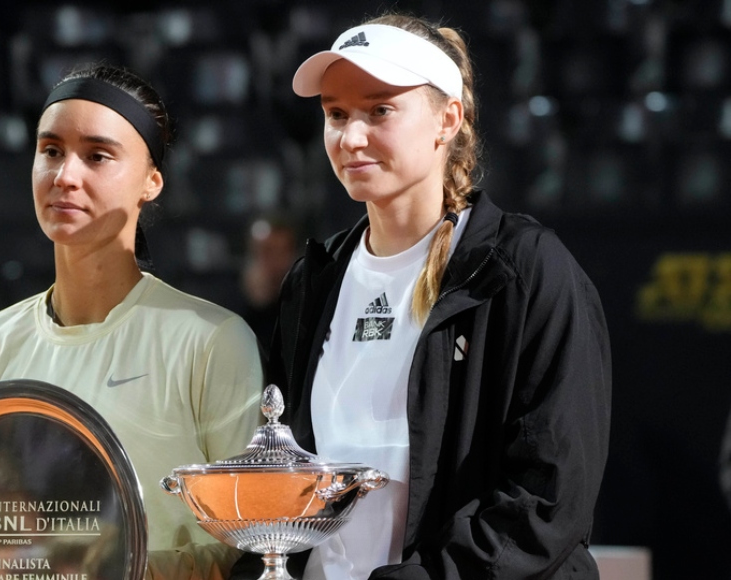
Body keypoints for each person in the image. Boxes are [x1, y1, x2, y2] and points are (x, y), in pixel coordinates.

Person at [232, 13, 611, 579]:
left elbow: (547, 501)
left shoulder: (525, 270)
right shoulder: (314, 280)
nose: (350, 137)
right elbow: (287, 475)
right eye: (336, 114)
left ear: (447, 120)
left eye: (380, 110)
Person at [0, 64, 264, 579]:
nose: (65, 176)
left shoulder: (212, 341)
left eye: (97, 156)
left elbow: (249, 546)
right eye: (50, 151)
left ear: (151, 181)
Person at [239, 213, 300, 355]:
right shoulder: (227, 299)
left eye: (278, 252)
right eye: (264, 251)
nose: (270, 260)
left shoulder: (305, 303)